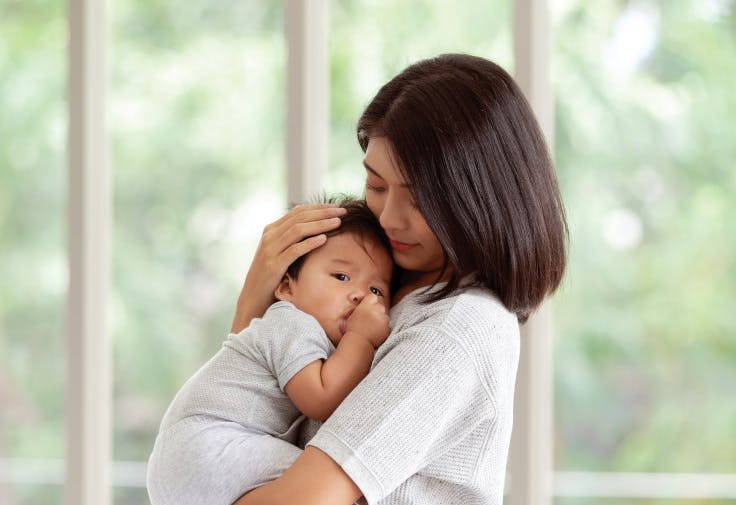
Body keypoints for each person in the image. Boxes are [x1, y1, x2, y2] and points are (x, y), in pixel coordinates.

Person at [152, 52, 568, 505]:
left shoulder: (456, 327)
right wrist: (255, 303)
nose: (389, 218)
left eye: (420, 199)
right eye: (376, 185)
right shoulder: (385, 290)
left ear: (479, 199)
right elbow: (249, 416)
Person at [146, 197, 395, 505]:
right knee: (330, 484)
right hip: (210, 444)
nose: (359, 295)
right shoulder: (290, 323)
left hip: (189, 460)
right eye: (341, 277)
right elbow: (320, 398)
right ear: (287, 289)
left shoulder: (309, 336)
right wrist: (362, 337)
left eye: (376, 290)